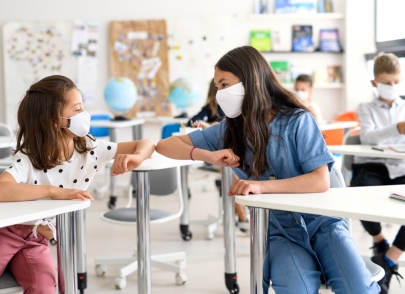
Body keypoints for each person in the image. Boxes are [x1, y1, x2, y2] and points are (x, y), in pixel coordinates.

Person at [156, 46, 379, 293]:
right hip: (281, 232)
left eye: (224, 84)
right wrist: (206, 154)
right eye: (217, 87)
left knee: (358, 288)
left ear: (250, 82)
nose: (219, 94)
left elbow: (319, 181)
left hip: (324, 224)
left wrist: (259, 186)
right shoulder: (228, 130)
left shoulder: (298, 120)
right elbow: (166, 145)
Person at [0, 75, 155, 294]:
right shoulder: (28, 155)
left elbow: (148, 143)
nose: (84, 115)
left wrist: (137, 157)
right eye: (77, 110)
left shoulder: (90, 149)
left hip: (36, 241)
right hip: (2, 234)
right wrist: (54, 193)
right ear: (53, 120)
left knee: (47, 288)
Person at [351, 52, 405, 294]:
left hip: (400, 166)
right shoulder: (366, 108)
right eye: (386, 82)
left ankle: (389, 258)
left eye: (396, 82)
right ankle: (379, 240)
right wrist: (397, 128)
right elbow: (367, 136)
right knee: (360, 191)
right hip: (371, 165)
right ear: (375, 82)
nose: (392, 87)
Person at [189, 78, 249, 232]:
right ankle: (242, 217)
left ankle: (243, 214)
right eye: (218, 88)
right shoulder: (209, 109)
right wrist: (207, 127)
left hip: (235, 155)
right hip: (215, 156)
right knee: (231, 173)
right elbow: (192, 122)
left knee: (234, 171)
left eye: (225, 86)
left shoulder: (237, 109)